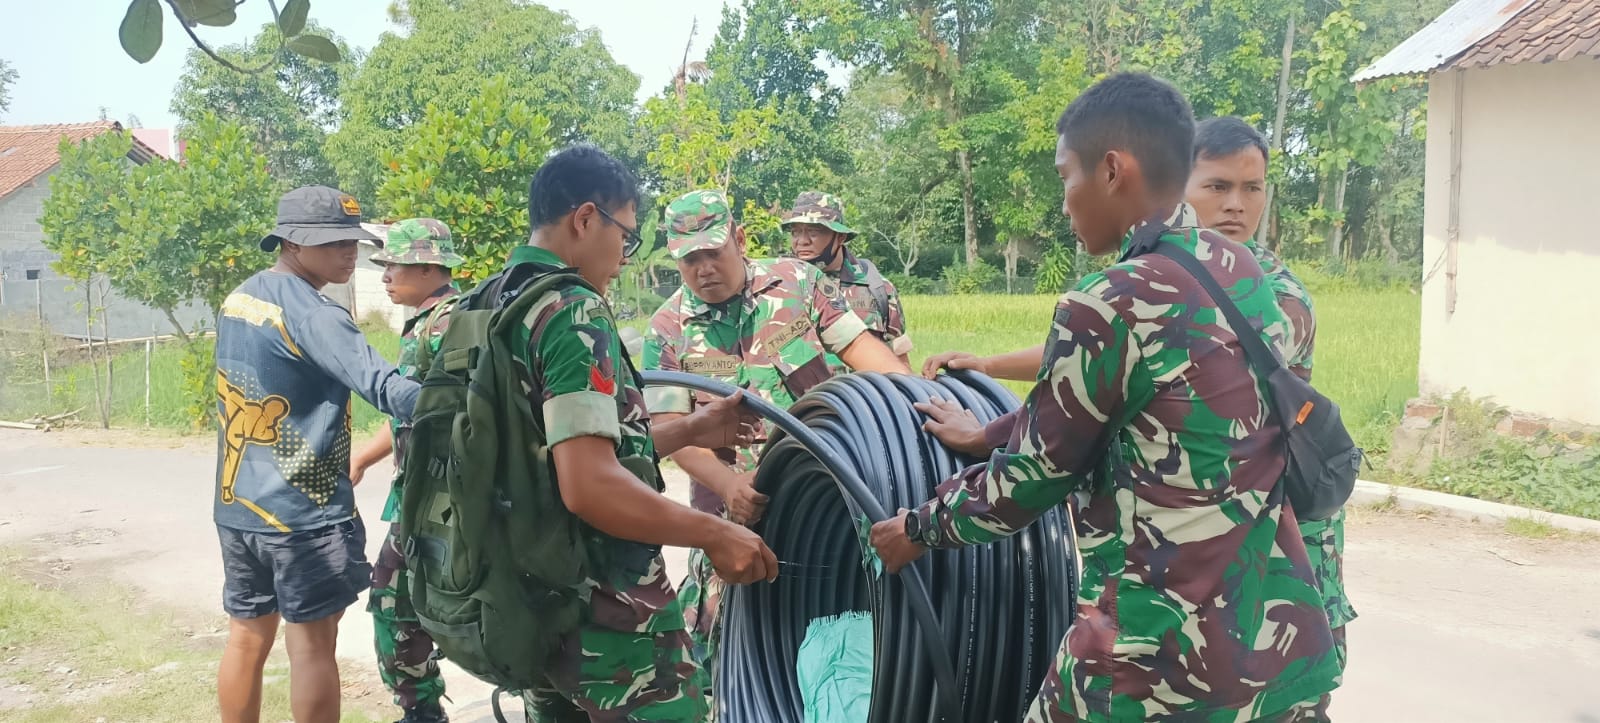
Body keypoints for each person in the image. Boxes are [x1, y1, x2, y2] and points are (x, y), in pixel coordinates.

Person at [869, 73, 1340, 721]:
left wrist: (917, 529)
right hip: (1279, 648)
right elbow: (1126, 405)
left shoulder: (1109, 300)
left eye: (1067, 176)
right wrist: (984, 431)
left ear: (1113, 170)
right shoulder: (1246, 276)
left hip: (1159, 664)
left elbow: (1028, 481)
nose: (1065, 202)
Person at [499, 146, 778, 721]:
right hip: (608, 610)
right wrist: (714, 534)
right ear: (584, 219)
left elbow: (558, 453)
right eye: (624, 236)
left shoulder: (492, 302)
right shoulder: (572, 311)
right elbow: (590, 486)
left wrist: (696, 427)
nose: (624, 258)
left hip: (527, 598)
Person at [641, 189, 911, 691]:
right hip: (737, 517)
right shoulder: (667, 328)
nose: (703, 269)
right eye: (689, 259)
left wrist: (914, 399)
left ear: (739, 240)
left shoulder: (800, 284)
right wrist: (728, 484)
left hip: (828, 502)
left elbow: (858, 347)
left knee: (849, 633)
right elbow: (671, 435)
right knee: (730, 662)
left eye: (713, 253)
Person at [214, 185, 419, 723]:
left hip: (241, 512)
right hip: (303, 516)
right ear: (292, 243)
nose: (350, 253)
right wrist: (471, 403)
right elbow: (386, 387)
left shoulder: (241, 297)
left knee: (245, 639)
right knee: (310, 649)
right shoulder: (315, 314)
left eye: (354, 241)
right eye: (333, 243)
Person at [1186, 116, 1354, 718]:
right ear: (1176, 186)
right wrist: (992, 362)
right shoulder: (1172, 282)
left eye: (1252, 188)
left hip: (1284, 544)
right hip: (1217, 546)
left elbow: (1159, 352)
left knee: (1288, 703)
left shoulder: (1278, 293)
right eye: (1218, 186)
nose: (1237, 204)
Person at [347, 218, 464, 723]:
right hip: (424, 498)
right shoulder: (428, 321)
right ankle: (422, 707)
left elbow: (458, 415)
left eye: (393, 264)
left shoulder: (449, 323)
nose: (386, 274)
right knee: (401, 603)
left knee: (396, 603)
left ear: (428, 264)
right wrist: (363, 458)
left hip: (445, 502)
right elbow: (407, 414)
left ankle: (421, 710)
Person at [779, 190, 914, 368]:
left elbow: (899, 361)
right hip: (805, 395)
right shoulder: (779, 287)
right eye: (795, 232)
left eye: (813, 232)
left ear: (840, 236)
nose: (801, 241)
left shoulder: (877, 288)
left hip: (861, 394)